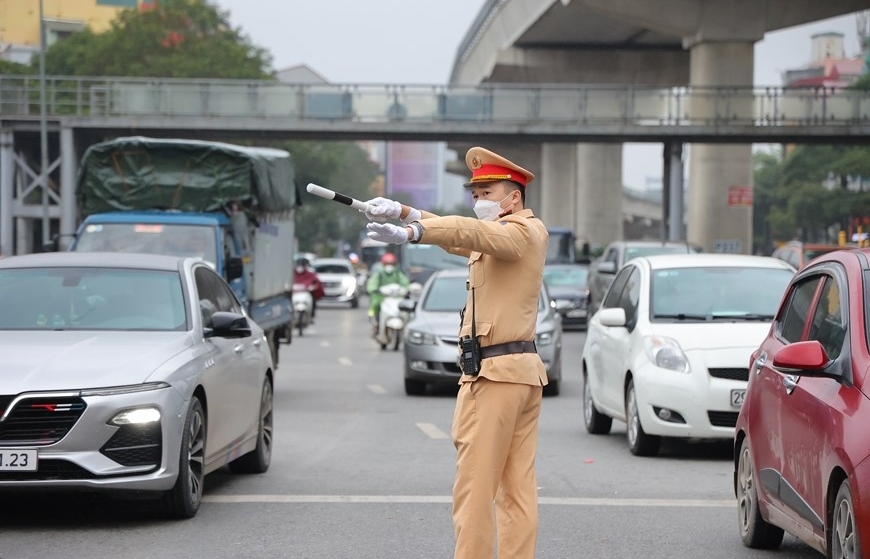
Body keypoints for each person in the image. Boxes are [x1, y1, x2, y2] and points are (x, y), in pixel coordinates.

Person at [363, 147, 548, 559]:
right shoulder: (509, 236)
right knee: (516, 492)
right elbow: (462, 237)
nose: (479, 200)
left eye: (487, 192)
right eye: (475, 193)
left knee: (474, 492)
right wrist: (406, 213)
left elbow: (468, 231)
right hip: (518, 373)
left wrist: (412, 232)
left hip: (495, 377)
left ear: (513, 196)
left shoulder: (518, 232)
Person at [366, 252, 410, 341]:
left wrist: (408, 290)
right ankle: (377, 323)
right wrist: (374, 290)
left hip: (395, 297)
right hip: (381, 297)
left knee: (406, 308)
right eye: (387, 264)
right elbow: (372, 284)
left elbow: (405, 283)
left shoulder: (397, 273)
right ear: (383, 264)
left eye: (391, 264)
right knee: (376, 305)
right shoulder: (379, 273)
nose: (389, 266)